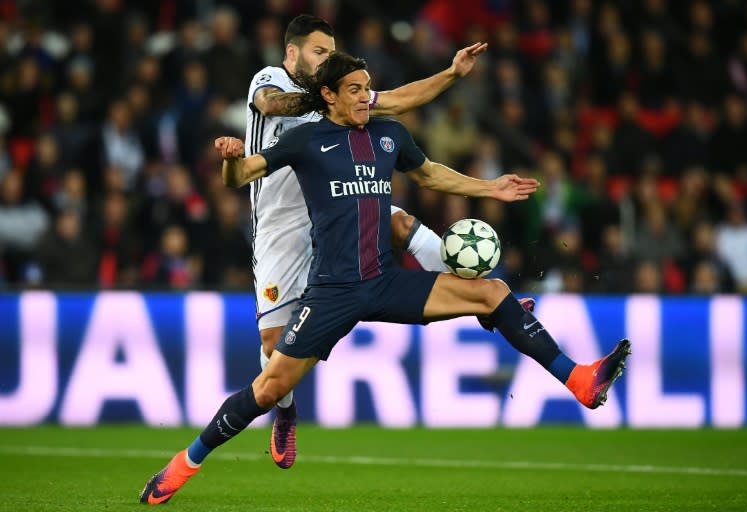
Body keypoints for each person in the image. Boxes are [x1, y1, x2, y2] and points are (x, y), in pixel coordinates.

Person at [139, 52, 631, 505]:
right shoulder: (306, 140)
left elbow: (432, 175)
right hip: (332, 292)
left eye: (368, 88)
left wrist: (490, 189)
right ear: (328, 95)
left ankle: (581, 380)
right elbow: (242, 175)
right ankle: (184, 464)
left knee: (493, 291)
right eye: (354, 89)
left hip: (386, 280)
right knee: (268, 389)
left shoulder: (388, 135)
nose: (364, 97)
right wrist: (228, 159)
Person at [241, 14, 533, 470]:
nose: (326, 61)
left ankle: (484, 301)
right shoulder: (273, 79)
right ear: (293, 53)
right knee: (274, 345)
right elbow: (273, 105)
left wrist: (452, 74)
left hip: (344, 205)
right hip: (283, 226)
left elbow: (397, 100)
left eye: (330, 54)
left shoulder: (340, 92)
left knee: (400, 224)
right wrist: (326, 98)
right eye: (319, 53)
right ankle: (284, 411)